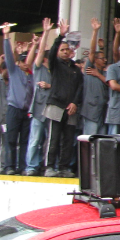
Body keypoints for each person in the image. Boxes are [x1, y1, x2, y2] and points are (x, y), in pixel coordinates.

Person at [43, 18, 84, 177]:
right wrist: (60, 36)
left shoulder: (75, 69)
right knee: (53, 138)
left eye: (67, 49)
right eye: (62, 50)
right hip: (56, 105)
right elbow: (52, 51)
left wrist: (75, 103)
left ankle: (63, 167)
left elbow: (80, 87)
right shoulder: (55, 64)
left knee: (68, 139)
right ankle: (49, 166)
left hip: (71, 108)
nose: (65, 52)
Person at [0, 25, 33, 175]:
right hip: (13, 109)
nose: (26, 63)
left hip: (26, 112)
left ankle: (22, 166)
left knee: (25, 141)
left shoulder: (31, 76)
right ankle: (9, 166)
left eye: (27, 61)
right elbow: (8, 56)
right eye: (23, 61)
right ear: (19, 62)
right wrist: (6, 37)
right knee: (11, 139)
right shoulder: (14, 72)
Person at [24, 29, 52, 174]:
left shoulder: (55, 72)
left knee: (49, 140)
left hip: (51, 110)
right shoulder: (39, 68)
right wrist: (45, 34)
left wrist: (49, 86)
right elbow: (40, 52)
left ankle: (46, 165)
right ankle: (31, 166)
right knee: (35, 139)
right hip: (38, 109)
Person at [80, 18, 109, 136]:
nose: (105, 60)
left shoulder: (103, 73)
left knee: (101, 141)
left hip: (102, 113)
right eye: (102, 58)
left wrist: (97, 74)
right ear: (95, 60)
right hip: (91, 112)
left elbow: (110, 83)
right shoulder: (89, 69)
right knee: (90, 139)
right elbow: (92, 52)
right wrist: (95, 31)